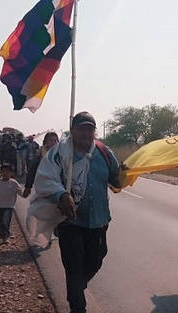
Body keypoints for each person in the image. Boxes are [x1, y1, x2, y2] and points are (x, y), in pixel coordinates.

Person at [34, 112, 121, 313]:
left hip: (98, 221)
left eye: (90, 129)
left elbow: (116, 178)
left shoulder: (104, 152)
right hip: (70, 222)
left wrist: (131, 172)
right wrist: (61, 194)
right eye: (81, 128)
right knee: (73, 269)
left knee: (96, 259)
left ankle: (77, 288)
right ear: (72, 131)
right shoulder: (60, 153)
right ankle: (77, 304)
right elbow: (45, 178)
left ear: (94, 131)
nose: (85, 133)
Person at [0, 164, 25, 244]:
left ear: (11, 174)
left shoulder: (14, 183)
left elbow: (20, 192)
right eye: (3, 171)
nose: (5, 173)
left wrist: (25, 193)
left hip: (9, 206)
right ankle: (1, 232)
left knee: (5, 222)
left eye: (7, 172)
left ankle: (5, 236)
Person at [23, 132, 59, 198]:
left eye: (55, 140)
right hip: (42, 185)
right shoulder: (39, 154)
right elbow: (32, 170)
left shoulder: (60, 155)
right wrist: (28, 186)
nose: (53, 142)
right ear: (45, 142)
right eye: (51, 140)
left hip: (56, 186)